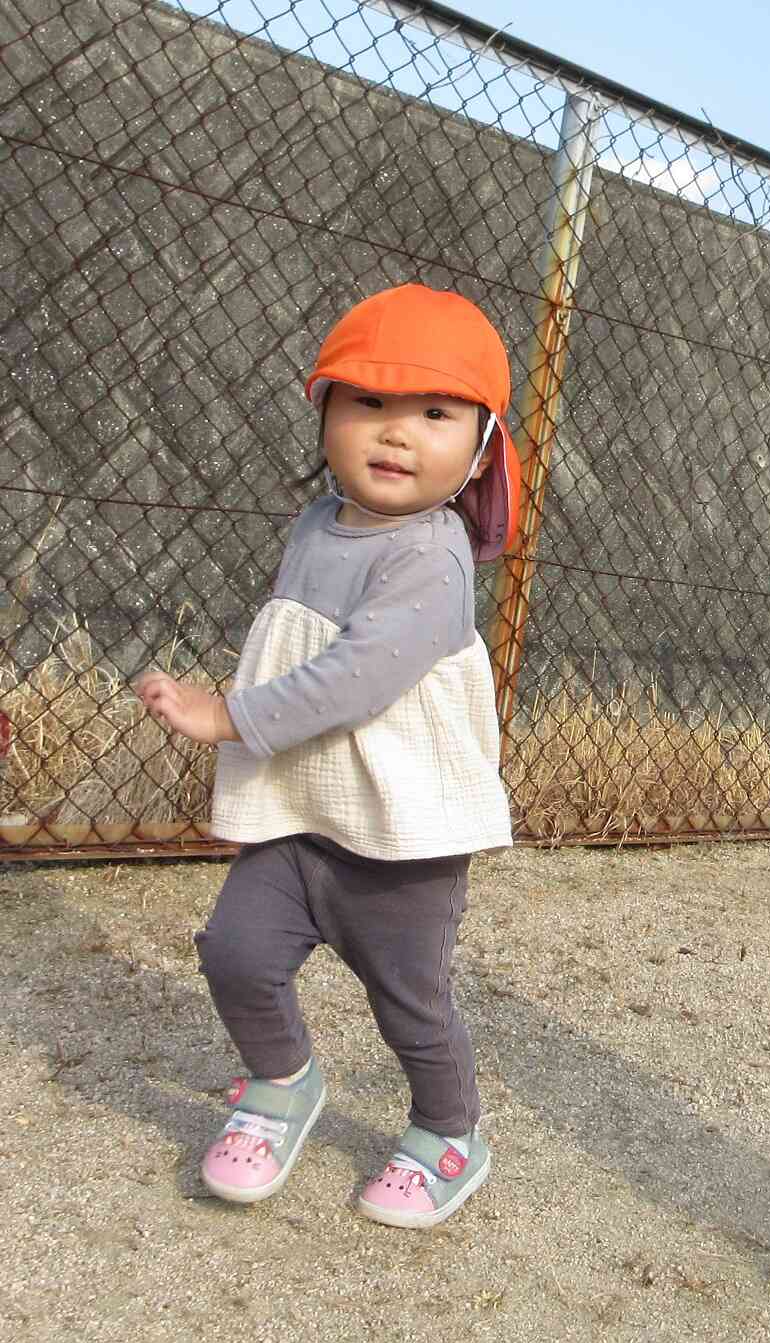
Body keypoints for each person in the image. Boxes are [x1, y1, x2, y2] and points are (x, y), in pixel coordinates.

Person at [134, 284, 519, 1229]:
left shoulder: (432, 560)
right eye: (368, 404)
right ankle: (280, 1083)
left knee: (409, 1002)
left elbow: (356, 678)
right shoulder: (318, 525)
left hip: (398, 835)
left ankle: (446, 1131)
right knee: (235, 954)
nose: (396, 434)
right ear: (324, 415)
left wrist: (227, 716)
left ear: (479, 448)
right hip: (300, 809)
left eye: (435, 413)